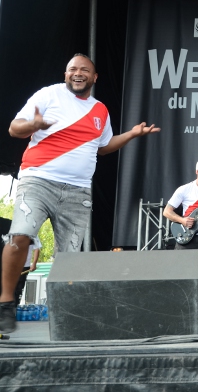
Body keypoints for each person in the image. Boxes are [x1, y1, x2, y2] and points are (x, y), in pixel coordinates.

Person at [1, 53, 160, 334]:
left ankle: (60, 311)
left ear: (94, 77)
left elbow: (104, 146)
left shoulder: (100, 110)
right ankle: (5, 301)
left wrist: (132, 134)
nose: (78, 73)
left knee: (69, 257)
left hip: (77, 191)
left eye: (84, 70)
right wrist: (34, 125)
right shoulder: (49, 95)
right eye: (72, 69)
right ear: (65, 75)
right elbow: (15, 129)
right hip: (38, 180)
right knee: (21, 235)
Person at [162, 158, 198, 271]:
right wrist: (182, 220)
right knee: (181, 271)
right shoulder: (184, 189)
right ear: (197, 171)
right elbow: (167, 211)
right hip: (186, 235)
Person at [14, 237, 41, 305]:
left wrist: (34, 263)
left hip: (24, 266)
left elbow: (37, 249)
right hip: (10, 265)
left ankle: (15, 308)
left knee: (18, 289)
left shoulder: (33, 234)